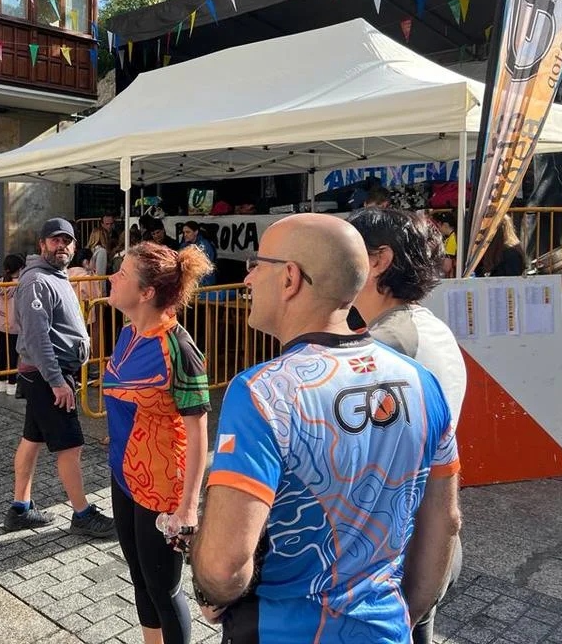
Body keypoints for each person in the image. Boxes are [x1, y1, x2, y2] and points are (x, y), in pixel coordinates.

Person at [190, 213, 462, 643]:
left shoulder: (263, 392)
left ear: (290, 278)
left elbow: (224, 569)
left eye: (256, 264)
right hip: (385, 628)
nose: (247, 278)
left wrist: (206, 580)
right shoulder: (420, 381)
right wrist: (404, 618)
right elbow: (445, 522)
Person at [349, 207, 467, 644]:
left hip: (393, 557)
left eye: (346, 249)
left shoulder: (385, 346)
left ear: (379, 261)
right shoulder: (426, 327)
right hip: (424, 547)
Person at [104, 241, 212, 644]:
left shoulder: (179, 348)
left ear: (147, 292)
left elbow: (198, 432)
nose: (112, 278)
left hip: (163, 487)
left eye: (122, 274)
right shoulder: (127, 332)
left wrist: (188, 506)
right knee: (139, 577)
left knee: (163, 588)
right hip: (123, 476)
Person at [3, 218, 115, 537]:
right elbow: (37, 337)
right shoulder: (37, 280)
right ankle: (82, 514)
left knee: (32, 440)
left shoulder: (55, 275)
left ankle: (20, 509)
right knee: (71, 445)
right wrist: (56, 381)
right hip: (47, 375)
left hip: (47, 374)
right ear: (42, 244)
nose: (61, 246)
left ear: (75, 246)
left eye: (67, 241)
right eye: (55, 240)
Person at [0, 254, 25, 397]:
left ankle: (1, 381)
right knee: (13, 353)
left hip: (2, 322)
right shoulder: (21, 283)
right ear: (20, 268)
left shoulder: (1, 281)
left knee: (2, 352)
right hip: (16, 323)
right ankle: (12, 383)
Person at [180, 221, 216, 286]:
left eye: (188, 232)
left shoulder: (204, 246)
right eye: (184, 232)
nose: (185, 235)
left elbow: (201, 269)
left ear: (196, 232)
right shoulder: (184, 245)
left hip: (204, 282)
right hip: (189, 280)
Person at [433, 211, 458, 278]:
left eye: (438, 226)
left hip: (452, 278)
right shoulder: (451, 237)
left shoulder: (452, 239)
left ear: (445, 225)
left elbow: (447, 267)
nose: (438, 229)